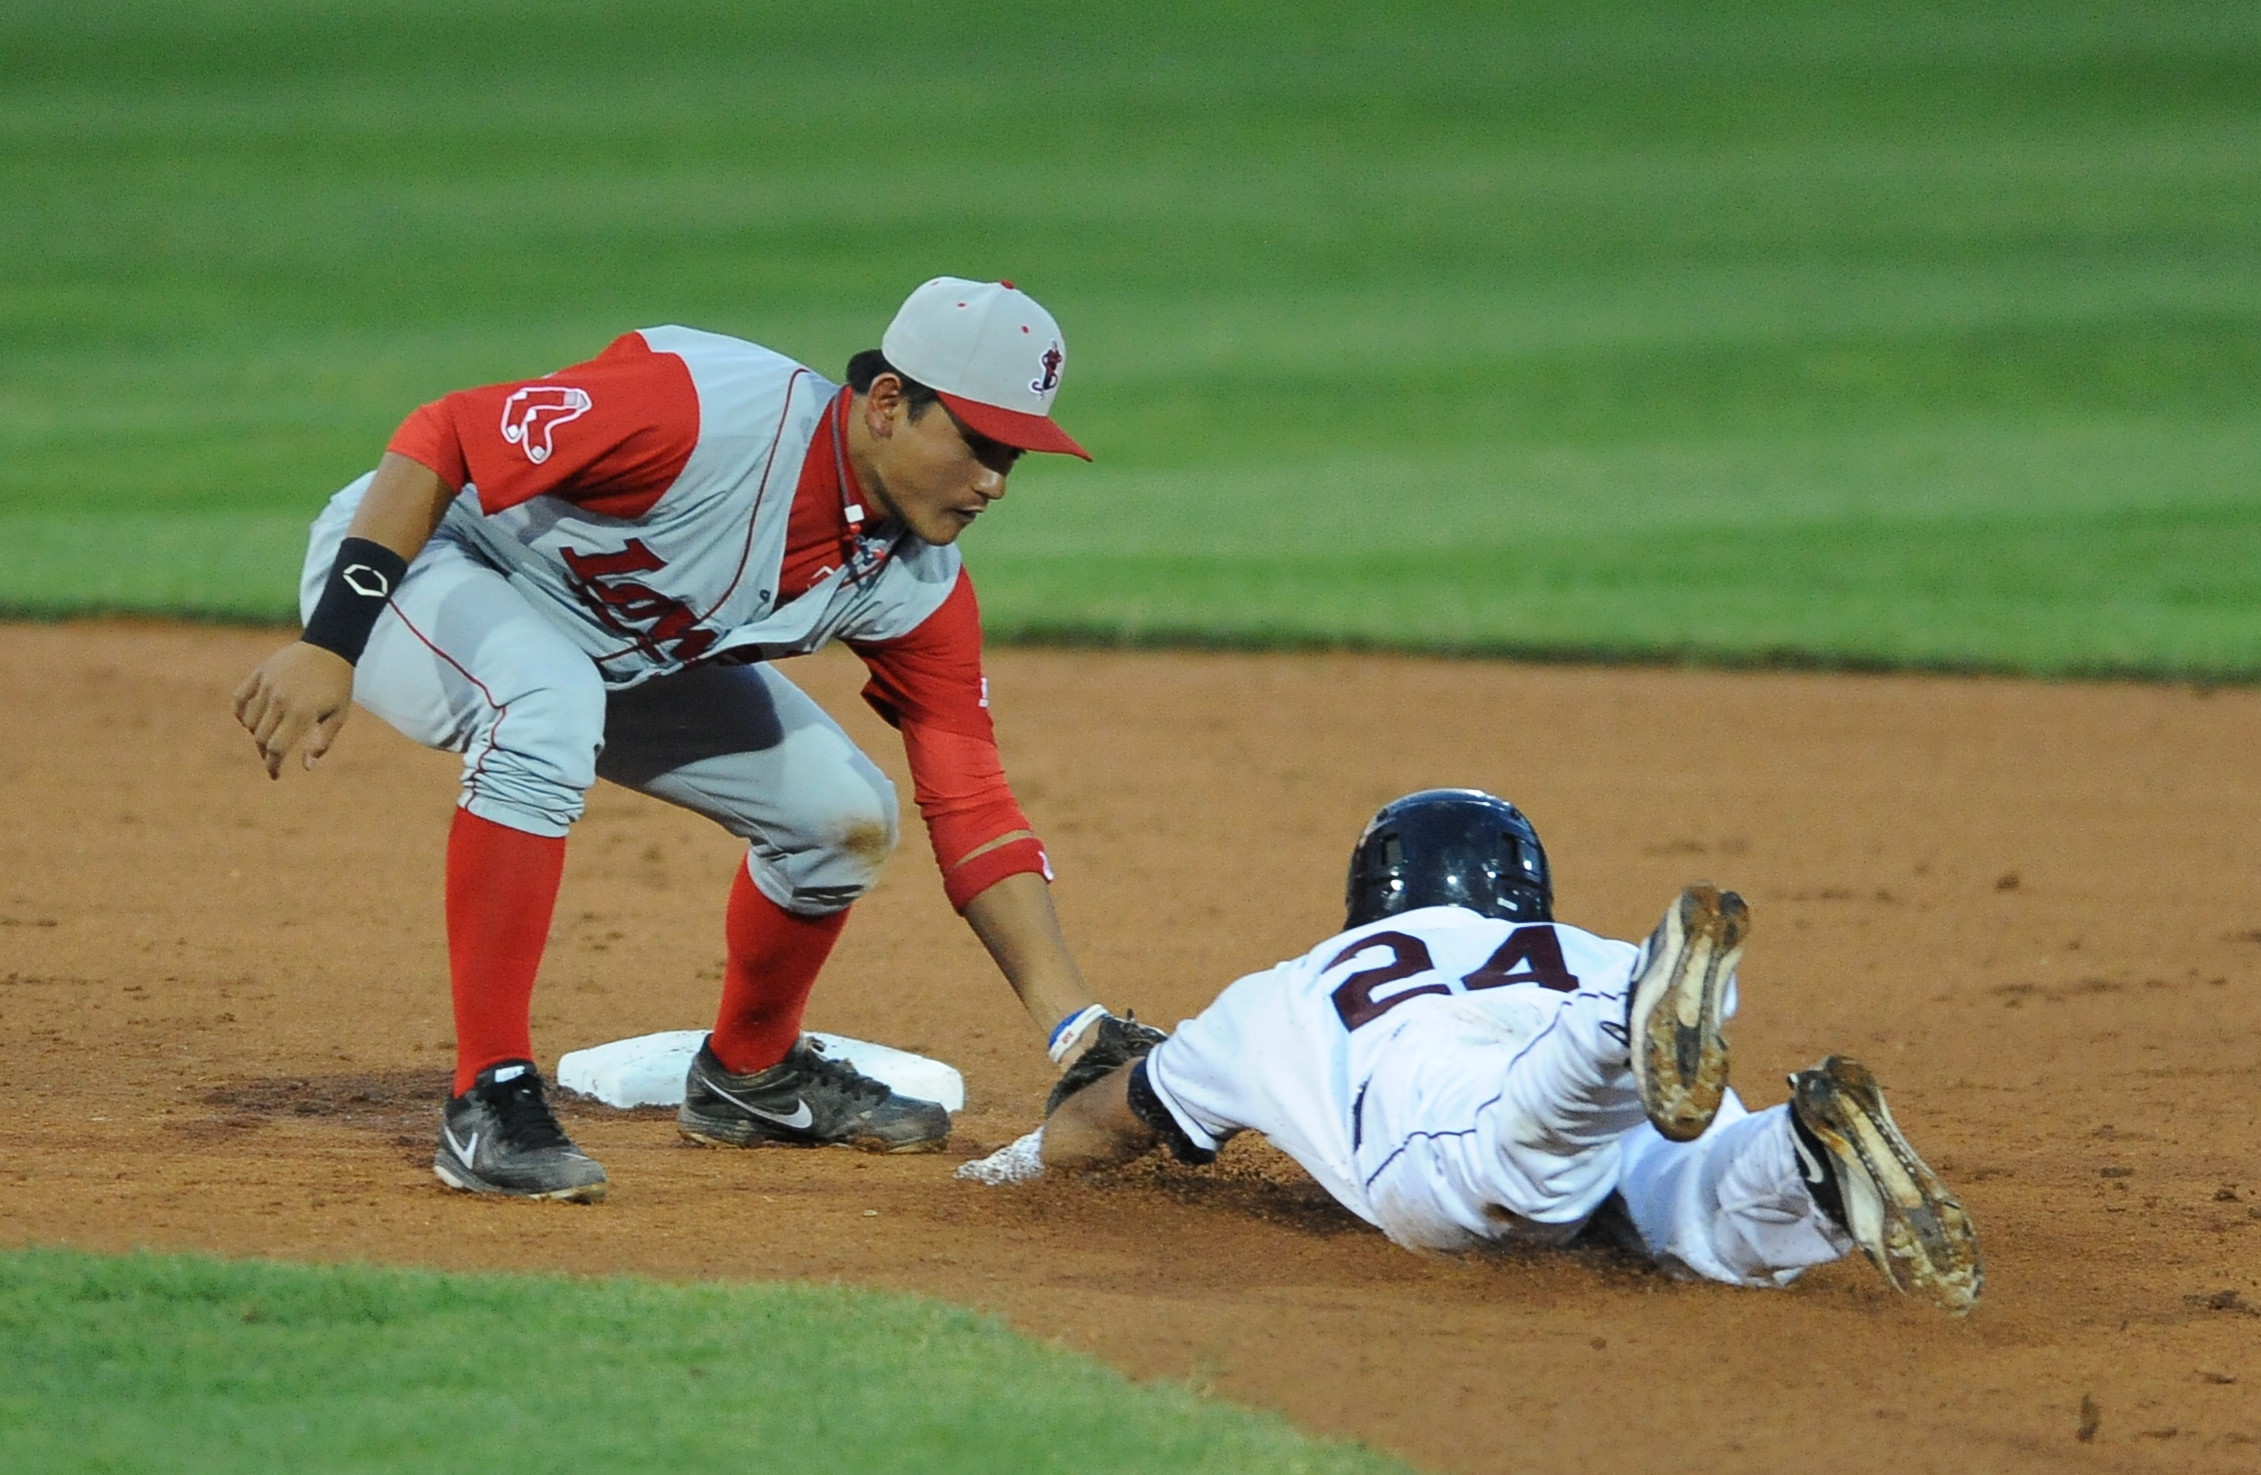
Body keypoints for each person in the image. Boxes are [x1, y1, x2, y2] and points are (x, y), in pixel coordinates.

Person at [231, 277, 1164, 1202]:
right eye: (978, 442)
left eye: (1016, 453)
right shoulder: (704, 413)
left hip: (615, 650)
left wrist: (1072, 1024)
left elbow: (970, 798)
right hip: (430, 564)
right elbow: (445, 433)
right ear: (888, 403)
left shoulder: (916, 580)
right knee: (545, 703)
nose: (996, 481)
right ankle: (489, 1094)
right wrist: (330, 644)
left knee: (843, 814)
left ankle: (750, 1077)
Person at [963, 789, 1984, 1315]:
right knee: (1702, 1213)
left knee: (1518, 1159)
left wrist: (1002, 1171)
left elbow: (1109, 1119)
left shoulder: (1284, 988)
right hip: (1620, 1023)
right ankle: (1800, 1154)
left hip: (1460, 1103)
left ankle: (1615, 1035)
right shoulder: (1579, 945)